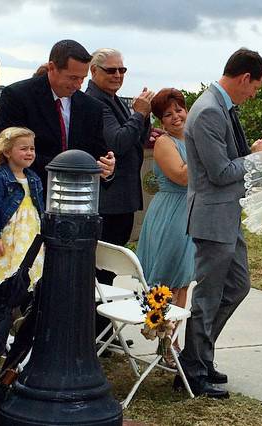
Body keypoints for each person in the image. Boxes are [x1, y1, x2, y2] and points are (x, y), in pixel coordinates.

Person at [179, 48, 262, 398]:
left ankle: (198, 356)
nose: (254, 95)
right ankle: (192, 371)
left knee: (238, 286)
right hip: (211, 216)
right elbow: (221, 173)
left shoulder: (220, 107)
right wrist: (260, 157)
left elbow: (229, 159)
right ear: (244, 78)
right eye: (256, 87)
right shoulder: (208, 111)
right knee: (206, 298)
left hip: (226, 216)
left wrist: (255, 148)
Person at [0, 39, 115, 186]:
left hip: (76, 198)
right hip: (28, 194)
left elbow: (97, 156)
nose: (78, 85)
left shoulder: (92, 107)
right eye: (72, 78)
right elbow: (7, 151)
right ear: (52, 68)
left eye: (82, 79)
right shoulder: (17, 96)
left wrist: (106, 169)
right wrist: (67, 167)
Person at [136, 88, 195, 367]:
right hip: (171, 211)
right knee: (166, 278)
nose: (175, 117)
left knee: (184, 280)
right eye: (167, 114)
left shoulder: (193, 139)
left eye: (179, 110)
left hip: (191, 212)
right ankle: (161, 335)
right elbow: (182, 176)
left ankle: (173, 342)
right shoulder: (164, 143)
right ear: (160, 121)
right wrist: (208, 152)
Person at [86, 48, 152, 278]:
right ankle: (97, 314)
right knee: (103, 267)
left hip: (122, 198)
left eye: (122, 70)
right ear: (94, 71)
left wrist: (144, 118)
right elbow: (118, 142)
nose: (118, 75)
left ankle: (101, 313)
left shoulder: (114, 99)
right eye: (111, 70)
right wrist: (139, 114)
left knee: (110, 268)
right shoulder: (95, 101)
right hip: (108, 200)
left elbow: (138, 140)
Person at [0, 127, 44, 291]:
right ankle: (1, 306)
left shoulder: (33, 177)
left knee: (26, 266)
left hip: (28, 230)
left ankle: (20, 305)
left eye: (32, 148)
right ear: (7, 152)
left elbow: (40, 208)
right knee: (4, 270)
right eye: (23, 149)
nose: (29, 152)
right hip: (6, 232)